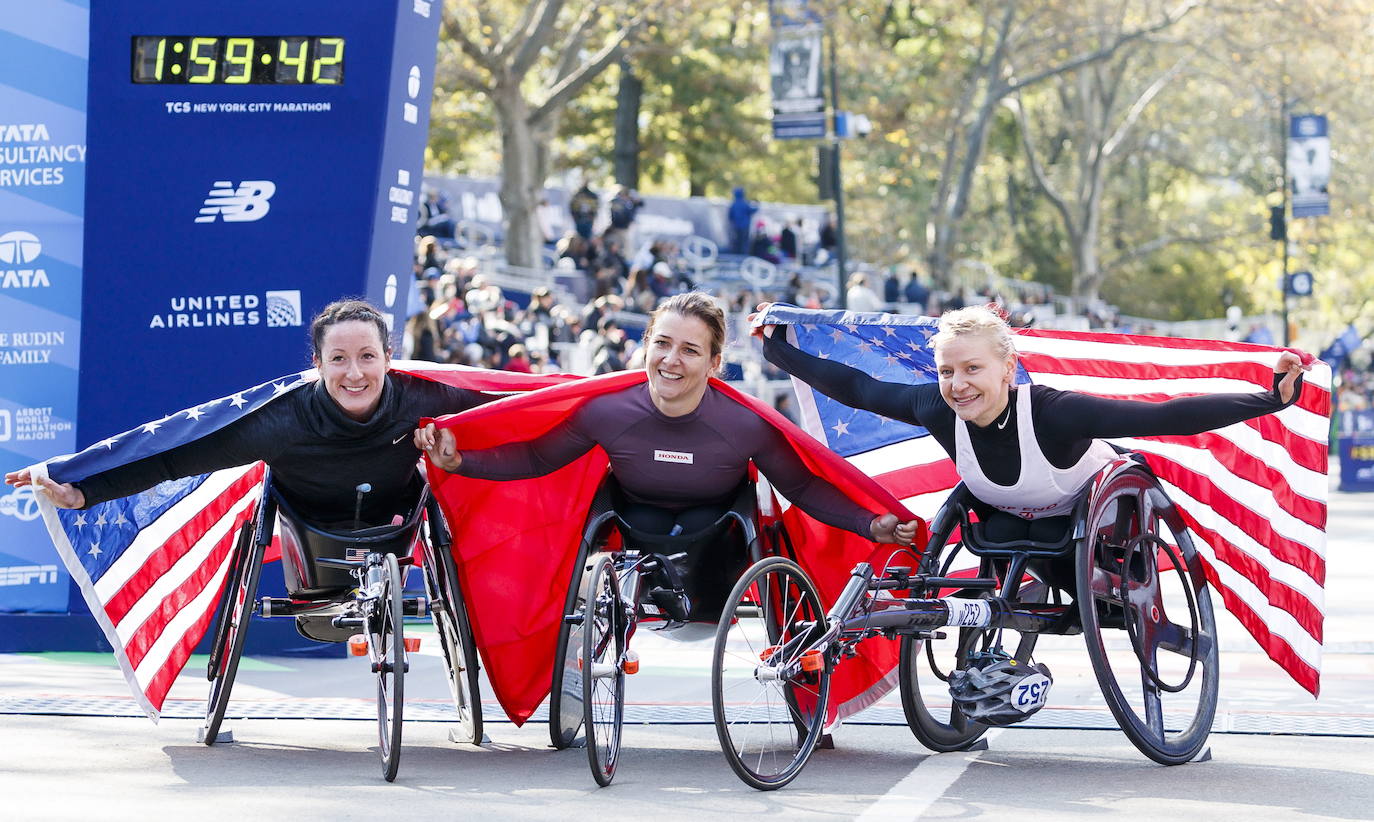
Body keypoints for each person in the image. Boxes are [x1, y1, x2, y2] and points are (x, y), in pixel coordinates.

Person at [753, 303, 1310, 561]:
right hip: (1006, 520)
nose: (958, 384)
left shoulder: (1052, 411)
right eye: (947, 371)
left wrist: (1268, 398)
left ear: (1006, 367)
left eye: (972, 369)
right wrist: (776, 346)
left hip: (1097, 531)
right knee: (997, 541)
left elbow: (1161, 416)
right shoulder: (937, 407)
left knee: (1059, 555)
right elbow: (858, 388)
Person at [417, 292, 919, 557]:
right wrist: (462, 460)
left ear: (715, 363)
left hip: (720, 535)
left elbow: (803, 485)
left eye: (690, 350)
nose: (671, 360)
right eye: (662, 344)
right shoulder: (605, 410)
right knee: (629, 527)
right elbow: (536, 457)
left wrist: (868, 524)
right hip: (633, 525)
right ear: (645, 347)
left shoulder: (746, 425)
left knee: (724, 528)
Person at [6, 300, 498, 526]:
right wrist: (84, 488)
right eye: (339, 360)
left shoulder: (425, 399)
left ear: (389, 359)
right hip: (306, 517)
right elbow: (174, 456)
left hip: (396, 513)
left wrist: (458, 461)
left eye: (368, 357)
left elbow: (513, 412)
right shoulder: (280, 419)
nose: (355, 374)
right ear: (317, 365)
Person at [727, 187, 758, 255]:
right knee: (744, 241)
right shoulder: (745, 203)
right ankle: (743, 254)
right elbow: (751, 210)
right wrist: (757, 206)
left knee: (737, 240)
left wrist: (733, 223)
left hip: (736, 226)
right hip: (744, 226)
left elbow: (730, 216)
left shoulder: (734, 204)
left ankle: (736, 253)